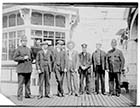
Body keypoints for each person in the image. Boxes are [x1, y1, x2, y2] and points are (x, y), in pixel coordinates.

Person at [13, 36, 34, 101]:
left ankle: (28, 94)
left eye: (25, 41)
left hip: (28, 68)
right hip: (21, 69)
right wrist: (22, 58)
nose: (24, 42)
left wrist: (31, 60)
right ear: (21, 42)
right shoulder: (18, 49)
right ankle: (19, 96)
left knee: (28, 83)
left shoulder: (28, 49)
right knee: (20, 83)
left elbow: (32, 57)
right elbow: (14, 58)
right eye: (23, 41)